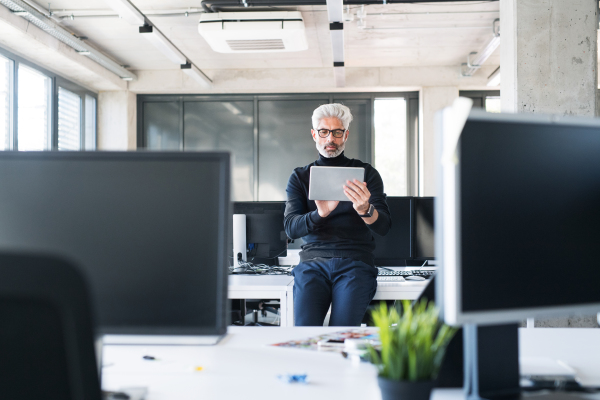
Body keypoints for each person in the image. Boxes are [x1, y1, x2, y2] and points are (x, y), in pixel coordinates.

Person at [284, 103, 391, 326]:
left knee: (341, 334)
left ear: (346, 135)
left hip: (355, 264)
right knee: (305, 333)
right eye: (323, 132)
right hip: (313, 263)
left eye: (337, 132)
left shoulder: (367, 174)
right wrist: (319, 213)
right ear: (314, 134)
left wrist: (365, 210)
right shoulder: (300, 177)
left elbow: (384, 226)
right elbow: (291, 228)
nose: (330, 139)